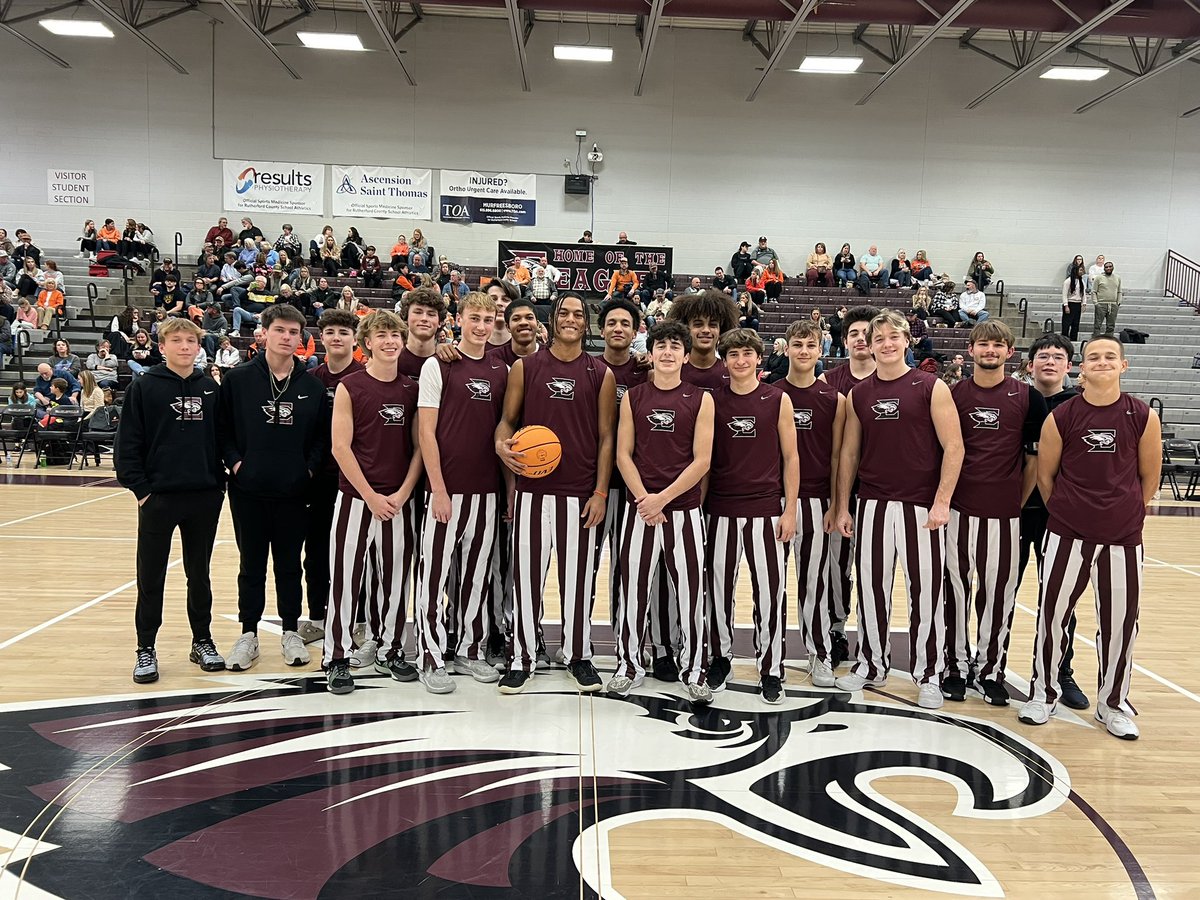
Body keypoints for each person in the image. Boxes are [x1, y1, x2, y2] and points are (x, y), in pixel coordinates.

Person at [1018, 336, 1161, 740]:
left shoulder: (1141, 415)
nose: (1101, 362)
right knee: (1052, 617)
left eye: (1109, 356)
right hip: (1067, 534)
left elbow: (1149, 477)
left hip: (1123, 537)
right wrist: (1069, 512)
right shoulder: (1061, 417)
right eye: (1094, 357)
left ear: (1123, 365)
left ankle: (1112, 703)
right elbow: (1046, 478)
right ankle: (1043, 693)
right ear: (1082, 367)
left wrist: (1126, 511)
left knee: (1120, 623)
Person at [833, 310, 964, 709]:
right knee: (872, 590)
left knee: (925, 593)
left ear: (907, 340)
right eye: (879, 339)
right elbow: (850, 453)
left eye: (894, 337)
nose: (887, 344)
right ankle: (871, 664)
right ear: (868, 346)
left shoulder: (931, 387)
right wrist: (842, 505)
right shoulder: (860, 394)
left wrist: (942, 502)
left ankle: (929, 674)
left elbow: (954, 448)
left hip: (920, 507)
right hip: (872, 503)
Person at [494, 292, 617, 693]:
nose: (570, 319)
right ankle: (522, 656)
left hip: (580, 494)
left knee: (579, 580)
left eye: (578, 315)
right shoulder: (525, 368)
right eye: (563, 312)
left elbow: (605, 438)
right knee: (526, 578)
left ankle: (578, 655)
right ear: (554, 318)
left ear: (586, 324)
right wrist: (501, 445)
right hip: (533, 492)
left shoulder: (601, 373)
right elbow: (507, 423)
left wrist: (600, 491)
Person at [604, 318, 715, 705]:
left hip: (681, 512)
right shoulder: (634, 397)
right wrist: (644, 499)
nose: (667, 352)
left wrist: (662, 498)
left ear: (686, 356)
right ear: (650, 354)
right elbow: (622, 454)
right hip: (641, 510)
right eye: (661, 346)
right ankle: (628, 665)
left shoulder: (701, 398)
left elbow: (702, 461)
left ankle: (695, 669)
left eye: (675, 347)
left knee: (690, 593)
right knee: (632, 591)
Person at [218, 304, 330, 674]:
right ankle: (248, 634)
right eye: (280, 330)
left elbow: (320, 438)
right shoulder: (237, 380)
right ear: (263, 333)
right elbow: (223, 431)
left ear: (302, 338)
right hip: (248, 490)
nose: (286, 337)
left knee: (288, 566)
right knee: (251, 566)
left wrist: (308, 470)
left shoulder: (312, 385)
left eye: (293, 332)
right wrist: (237, 464)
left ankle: (289, 631)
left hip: (294, 492)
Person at [114, 317, 226, 684]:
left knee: (200, 575)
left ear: (199, 346)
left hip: (203, 497)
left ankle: (202, 641)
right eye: (176, 340)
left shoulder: (211, 388)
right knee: (150, 576)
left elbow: (223, 440)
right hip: (158, 498)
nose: (184, 346)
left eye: (190, 341)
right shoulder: (144, 388)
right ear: (162, 347)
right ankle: (145, 647)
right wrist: (142, 491)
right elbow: (127, 444)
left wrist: (218, 485)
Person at [943, 321, 1048, 707]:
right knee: (953, 594)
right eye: (983, 344)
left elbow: (1033, 462)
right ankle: (952, 667)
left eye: (998, 345)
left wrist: (1013, 505)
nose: (990, 351)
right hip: (956, 512)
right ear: (970, 350)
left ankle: (989, 672)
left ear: (1010, 352)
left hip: (1004, 517)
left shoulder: (1028, 398)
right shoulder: (953, 395)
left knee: (998, 597)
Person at [321, 310, 423, 695]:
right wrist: (370, 496)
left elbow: (419, 448)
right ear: (367, 343)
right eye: (381, 336)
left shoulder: (412, 389)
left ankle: (391, 648)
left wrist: (402, 493)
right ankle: (337, 658)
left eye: (395, 335)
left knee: (396, 580)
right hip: (355, 499)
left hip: (399, 500)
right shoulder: (351, 386)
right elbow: (340, 448)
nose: (390, 342)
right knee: (346, 580)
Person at [414, 292, 510, 693]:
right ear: (459, 318)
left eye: (488, 319)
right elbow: (426, 433)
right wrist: (437, 489)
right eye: (475, 318)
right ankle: (430, 657)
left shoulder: (502, 370)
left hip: (486, 492)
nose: (481, 326)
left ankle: (469, 650)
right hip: (446, 491)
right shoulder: (438, 365)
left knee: (475, 578)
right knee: (434, 578)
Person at [705, 328, 798, 704]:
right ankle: (719, 657)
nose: (741, 361)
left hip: (765, 510)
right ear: (724, 362)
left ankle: (771, 667)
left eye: (747, 354)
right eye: (733, 355)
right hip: (720, 509)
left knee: (770, 593)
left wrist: (789, 508)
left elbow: (792, 457)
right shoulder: (712, 401)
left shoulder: (777, 399)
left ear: (759, 358)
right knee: (717, 591)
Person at [1016, 332, 1089, 710]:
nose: (1049, 361)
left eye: (1057, 356)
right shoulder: (1015, 399)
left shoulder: (1078, 406)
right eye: (1042, 355)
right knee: (999, 596)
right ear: (1030, 364)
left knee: (1060, 600)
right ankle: (989, 666)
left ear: (1069, 365)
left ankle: (1061, 672)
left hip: (1057, 518)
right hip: (1010, 514)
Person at [776, 319, 846, 687]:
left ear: (821, 351)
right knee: (770, 583)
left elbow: (837, 456)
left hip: (817, 501)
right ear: (786, 348)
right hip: (773, 502)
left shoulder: (835, 399)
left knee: (814, 583)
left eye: (810, 345)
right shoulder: (770, 393)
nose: (804, 351)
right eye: (797, 344)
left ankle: (819, 653)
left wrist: (837, 504)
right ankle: (767, 654)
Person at [297, 310, 365, 647]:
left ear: (355, 338)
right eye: (330, 332)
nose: (337, 337)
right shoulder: (310, 379)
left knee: (360, 552)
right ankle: (318, 616)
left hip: (356, 479)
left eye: (343, 331)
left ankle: (363, 618)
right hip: (319, 480)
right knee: (318, 551)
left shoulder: (365, 377)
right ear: (321, 338)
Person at [666, 289, 738, 393]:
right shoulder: (670, 370)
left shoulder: (733, 372)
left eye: (713, 325)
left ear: (721, 330)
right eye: (698, 324)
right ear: (685, 329)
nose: (706, 330)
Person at [1090, 259, 1122, 338]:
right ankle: (1096, 340)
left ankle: (1109, 341)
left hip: (1113, 305)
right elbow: (1094, 291)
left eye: (1110, 267)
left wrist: (1118, 302)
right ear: (1104, 268)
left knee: (1111, 326)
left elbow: (1119, 291)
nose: (1108, 268)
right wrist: (1096, 303)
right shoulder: (1099, 278)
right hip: (1101, 304)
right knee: (1097, 325)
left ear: (1113, 268)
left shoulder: (1117, 278)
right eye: (1106, 267)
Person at [1062, 263, 1087, 341]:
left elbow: (1083, 293)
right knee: (1067, 323)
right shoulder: (1068, 281)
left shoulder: (1081, 281)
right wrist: (1066, 305)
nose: (1081, 272)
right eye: (1080, 270)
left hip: (1078, 304)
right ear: (1075, 271)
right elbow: (1064, 294)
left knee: (1075, 324)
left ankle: (1074, 340)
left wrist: (1084, 303)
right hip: (1070, 303)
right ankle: (1064, 339)